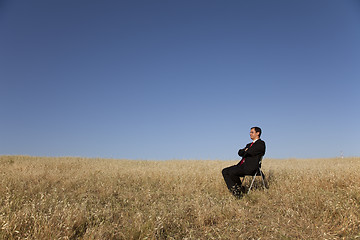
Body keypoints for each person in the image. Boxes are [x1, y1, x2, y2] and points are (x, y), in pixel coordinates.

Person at [222, 127, 266, 197]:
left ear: (258, 133)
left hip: (251, 168)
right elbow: (239, 152)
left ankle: (238, 194)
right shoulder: (249, 145)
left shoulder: (261, 144)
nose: (250, 134)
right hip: (242, 166)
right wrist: (245, 151)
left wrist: (246, 151)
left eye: (252, 132)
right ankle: (239, 189)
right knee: (225, 171)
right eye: (250, 132)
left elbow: (250, 152)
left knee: (232, 172)